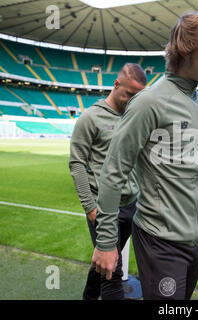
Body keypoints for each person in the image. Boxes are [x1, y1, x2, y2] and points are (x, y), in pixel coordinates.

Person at [91, 12, 198, 300]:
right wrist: (105, 242)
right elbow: (114, 172)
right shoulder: (148, 102)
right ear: (186, 49)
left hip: (196, 238)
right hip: (159, 240)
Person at [69, 63, 146, 300]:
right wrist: (90, 207)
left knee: (104, 263)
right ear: (116, 84)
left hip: (132, 205)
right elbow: (77, 163)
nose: (133, 100)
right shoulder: (91, 117)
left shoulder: (135, 117)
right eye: (130, 94)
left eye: (138, 96)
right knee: (112, 271)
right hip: (103, 208)